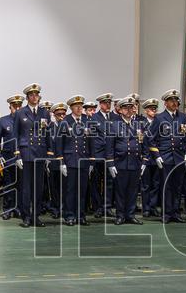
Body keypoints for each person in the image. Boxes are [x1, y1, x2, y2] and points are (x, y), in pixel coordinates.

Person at [12, 84, 53, 228]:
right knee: (26, 188)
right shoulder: (20, 113)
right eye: (32, 95)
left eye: (37, 95)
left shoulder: (44, 113)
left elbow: (48, 134)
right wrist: (17, 155)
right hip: (26, 153)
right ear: (28, 97)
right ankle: (26, 217)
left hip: (40, 153)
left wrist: (49, 153)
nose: (35, 97)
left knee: (38, 188)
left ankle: (36, 216)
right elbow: (15, 135)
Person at [149, 90, 186, 224]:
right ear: (166, 103)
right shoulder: (159, 118)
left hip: (179, 158)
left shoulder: (183, 118)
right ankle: (166, 214)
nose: (174, 103)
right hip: (165, 157)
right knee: (166, 186)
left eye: (176, 100)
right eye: (171, 101)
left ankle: (176, 213)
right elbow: (150, 139)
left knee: (177, 186)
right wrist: (157, 155)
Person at [106, 97, 146, 225]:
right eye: (125, 108)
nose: (128, 110)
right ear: (120, 110)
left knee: (133, 191)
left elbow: (144, 144)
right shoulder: (113, 125)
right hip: (120, 163)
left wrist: (144, 161)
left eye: (131, 107)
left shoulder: (139, 125)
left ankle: (130, 214)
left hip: (135, 163)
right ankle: (120, 215)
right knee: (120, 191)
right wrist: (111, 163)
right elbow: (109, 146)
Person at [55, 95, 92, 226]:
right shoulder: (65, 122)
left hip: (83, 161)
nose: (79, 108)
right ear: (71, 108)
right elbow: (59, 144)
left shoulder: (87, 121)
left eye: (81, 106)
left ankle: (80, 215)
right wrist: (61, 162)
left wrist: (90, 161)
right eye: (76, 106)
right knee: (70, 190)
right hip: (70, 160)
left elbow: (90, 143)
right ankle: (69, 215)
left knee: (82, 190)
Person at [0, 95, 22, 220]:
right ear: (9, 106)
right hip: (7, 158)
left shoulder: (26, 121)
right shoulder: (2, 121)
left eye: (19, 106)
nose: (16, 108)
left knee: (21, 185)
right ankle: (7, 209)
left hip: (23, 158)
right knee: (8, 185)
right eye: (14, 106)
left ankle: (19, 209)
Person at [89, 93, 116, 219]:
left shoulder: (115, 117)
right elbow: (93, 139)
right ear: (100, 104)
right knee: (96, 182)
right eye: (105, 103)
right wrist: (92, 157)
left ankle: (107, 206)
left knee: (109, 182)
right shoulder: (94, 118)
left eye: (109, 103)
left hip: (111, 156)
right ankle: (98, 207)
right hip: (99, 155)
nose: (108, 105)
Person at [140, 99, 161, 218]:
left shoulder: (159, 122)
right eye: (151, 109)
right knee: (145, 185)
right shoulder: (141, 123)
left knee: (156, 183)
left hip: (157, 157)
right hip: (146, 157)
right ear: (146, 110)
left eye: (155, 109)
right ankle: (146, 208)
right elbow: (140, 141)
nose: (153, 111)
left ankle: (153, 207)